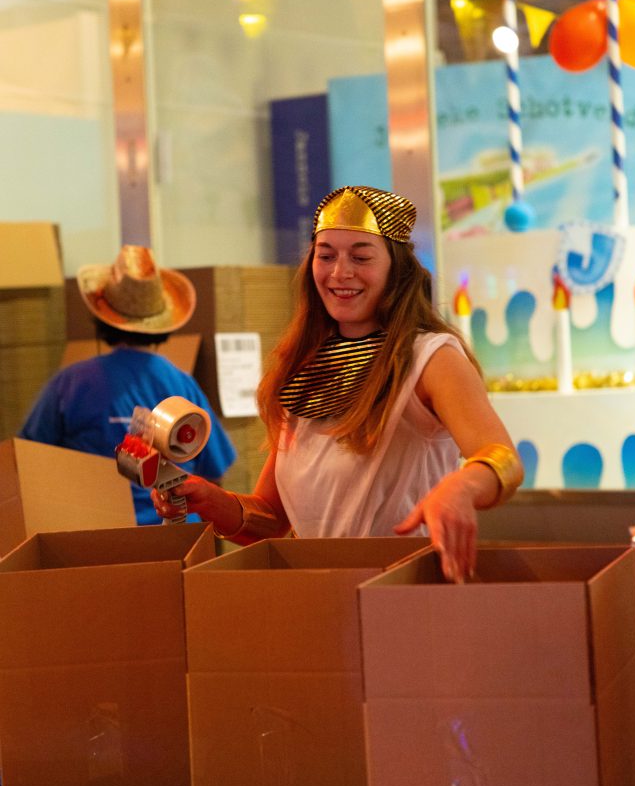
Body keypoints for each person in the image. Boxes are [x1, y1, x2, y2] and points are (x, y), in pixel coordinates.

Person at [152, 186, 523, 580]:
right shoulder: (305, 365)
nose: (339, 273)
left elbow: (503, 458)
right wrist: (210, 500)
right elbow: (272, 518)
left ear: (397, 269)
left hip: (403, 590)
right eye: (326, 255)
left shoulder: (430, 357)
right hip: (318, 594)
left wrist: (461, 487)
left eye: (361, 257)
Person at [19, 244, 237, 525]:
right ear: (162, 321)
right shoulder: (184, 385)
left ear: (102, 318)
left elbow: (29, 462)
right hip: (179, 536)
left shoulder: (70, 384)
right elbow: (214, 473)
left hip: (96, 535)